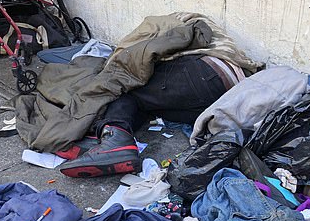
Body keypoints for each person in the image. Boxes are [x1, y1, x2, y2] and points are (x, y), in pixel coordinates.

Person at [57, 54, 248, 178]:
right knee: (147, 105)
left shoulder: (121, 59)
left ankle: (115, 139)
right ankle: (109, 138)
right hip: (222, 97)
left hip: (208, 73)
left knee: (125, 89)